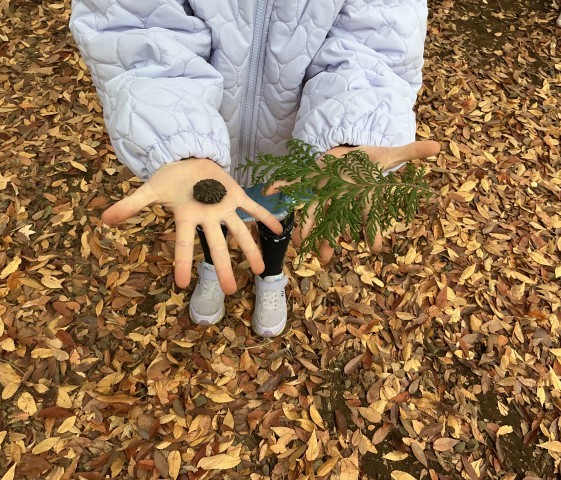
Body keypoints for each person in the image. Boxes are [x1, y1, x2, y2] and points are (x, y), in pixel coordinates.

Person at [69, 0, 440, 337]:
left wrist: (350, 131)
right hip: (209, 133)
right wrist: (180, 139)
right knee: (210, 213)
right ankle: (213, 265)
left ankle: (271, 274)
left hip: (293, 139)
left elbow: (376, 40)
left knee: (276, 209)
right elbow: (136, 25)